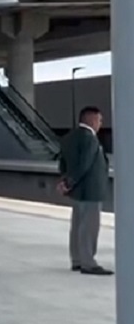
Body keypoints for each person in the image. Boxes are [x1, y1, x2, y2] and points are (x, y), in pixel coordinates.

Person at [57, 105, 113, 275]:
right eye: (100, 119)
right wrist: (70, 182)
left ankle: (77, 260)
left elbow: (63, 164)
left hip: (77, 192)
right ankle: (88, 263)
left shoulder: (68, 138)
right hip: (91, 190)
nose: (101, 123)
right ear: (92, 119)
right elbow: (85, 164)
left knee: (77, 225)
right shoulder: (90, 139)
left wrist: (66, 182)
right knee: (89, 227)